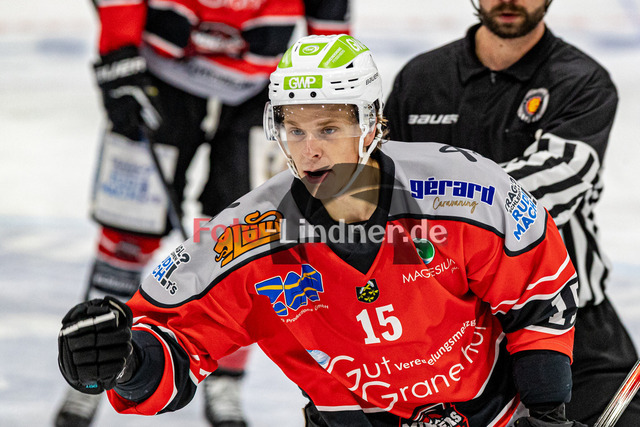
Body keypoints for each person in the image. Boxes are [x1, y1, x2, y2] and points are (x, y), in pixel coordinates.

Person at [57, 34, 587, 427]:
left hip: (496, 413)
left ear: (372, 123)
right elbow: (174, 344)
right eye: (294, 129)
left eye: (329, 128)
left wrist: (546, 411)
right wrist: (126, 362)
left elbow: (538, 291)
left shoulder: (462, 190)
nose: (309, 150)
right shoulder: (248, 236)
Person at [53, 1, 351, 426]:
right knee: (127, 234)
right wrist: (120, 56)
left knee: (248, 239)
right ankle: (94, 365)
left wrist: (325, 97)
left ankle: (226, 379)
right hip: (159, 73)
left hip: (262, 89)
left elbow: (330, 22)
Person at [384, 0, 640, 425]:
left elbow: (555, 184)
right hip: (447, 327)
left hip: (563, 316)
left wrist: (436, 205)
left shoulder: (581, 80)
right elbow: (383, 191)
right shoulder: (421, 77)